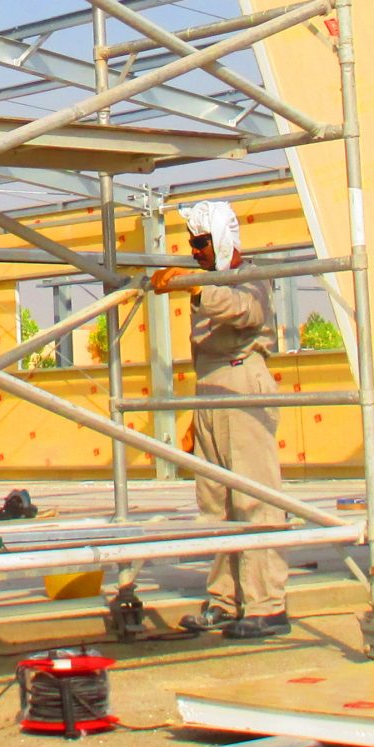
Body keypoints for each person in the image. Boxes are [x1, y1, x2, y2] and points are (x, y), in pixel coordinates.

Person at [148, 200, 289, 639]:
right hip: (211, 388)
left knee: (253, 497)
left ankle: (267, 605)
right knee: (215, 501)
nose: (196, 251)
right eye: (192, 243)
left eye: (202, 242)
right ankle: (225, 598)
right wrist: (198, 412)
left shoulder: (250, 277)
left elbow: (248, 312)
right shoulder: (208, 282)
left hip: (241, 383)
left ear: (223, 239)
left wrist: (195, 289)